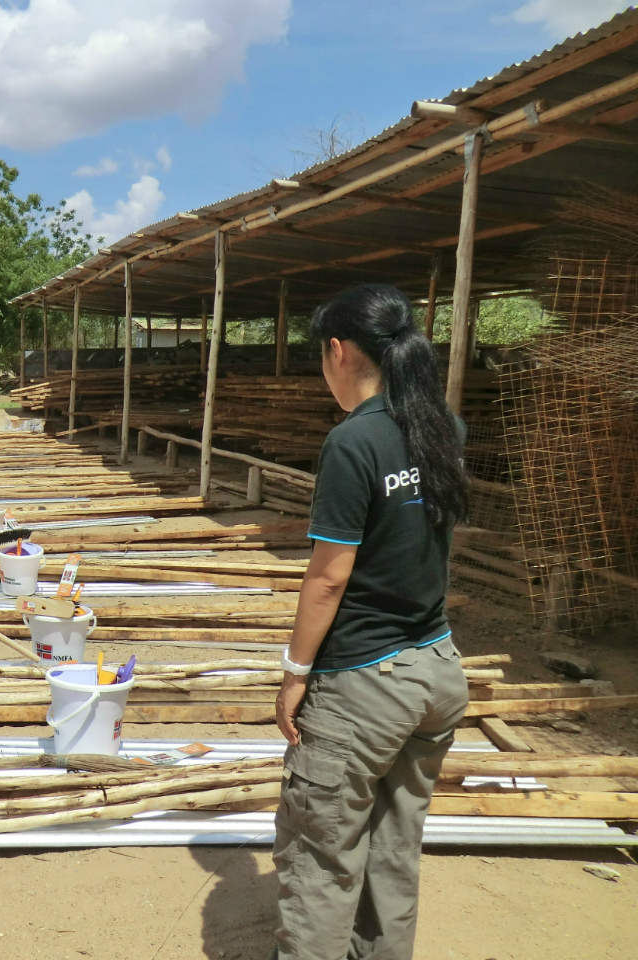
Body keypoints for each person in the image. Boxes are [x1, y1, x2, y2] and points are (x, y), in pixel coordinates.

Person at [270, 285, 470, 960]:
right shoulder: (441, 427)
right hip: (436, 671)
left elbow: (329, 577)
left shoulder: (353, 442)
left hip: (365, 681)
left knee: (321, 856)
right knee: (393, 848)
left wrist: (295, 675)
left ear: (338, 351)